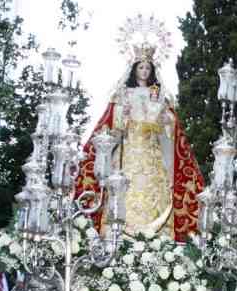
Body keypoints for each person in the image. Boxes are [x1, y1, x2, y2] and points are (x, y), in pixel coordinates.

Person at [74, 45, 204, 242]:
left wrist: (164, 118)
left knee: (155, 194)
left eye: (147, 68)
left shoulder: (161, 96)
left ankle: (157, 240)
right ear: (134, 69)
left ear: (152, 71)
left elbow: (172, 128)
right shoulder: (122, 95)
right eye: (141, 67)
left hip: (152, 154)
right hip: (128, 154)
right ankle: (119, 239)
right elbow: (111, 129)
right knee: (124, 192)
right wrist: (123, 116)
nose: (144, 72)